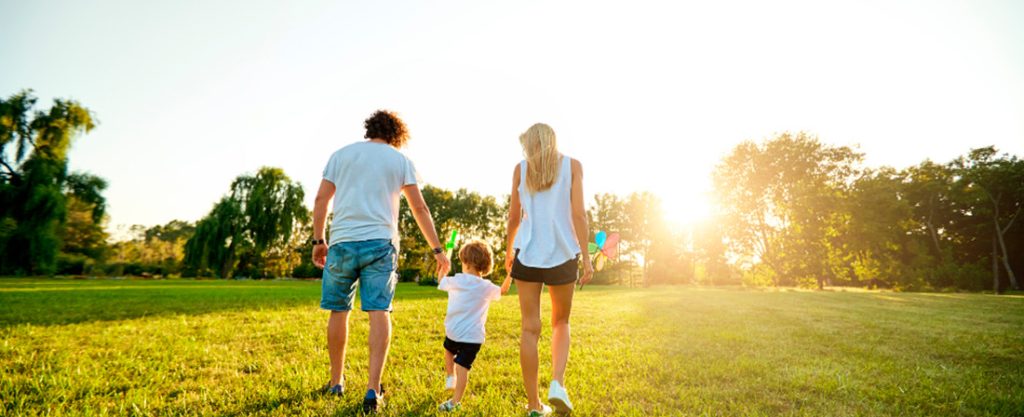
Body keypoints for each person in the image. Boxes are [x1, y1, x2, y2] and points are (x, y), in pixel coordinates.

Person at [311, 109, 451, 413]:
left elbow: (321, 199)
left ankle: (336, 382)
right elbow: (420, 208)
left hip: (342, 242)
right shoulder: (399, 160)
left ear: (369, 129)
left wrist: (319, 241)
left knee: (338, 311)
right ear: (397, 135)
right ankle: (373, 390)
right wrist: (438, 250)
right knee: (379, 311)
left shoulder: (341, 155)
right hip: (380, 243)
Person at [501, 123, 593, 416]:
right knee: (560, 322)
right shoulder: (573, 166)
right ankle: (557, 383)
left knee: (530, 328)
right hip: (563, 254)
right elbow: (579, 215)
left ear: (530, 144)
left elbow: (514, 217)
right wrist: (587, 258)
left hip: (527, 254)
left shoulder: (521, 169)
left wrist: (508, 251)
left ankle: (533, 405)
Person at [436, 240, 503, 412]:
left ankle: (453, 394)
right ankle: (454, 390)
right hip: (472, 337)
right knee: (462, 366)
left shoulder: (456, 280)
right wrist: (510, 274)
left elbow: (441, 282)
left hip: (454, 332)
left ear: (466, 262)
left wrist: (443, 271)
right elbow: (501, 291)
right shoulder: (487, 287)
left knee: (449, 353)